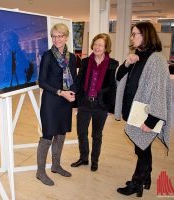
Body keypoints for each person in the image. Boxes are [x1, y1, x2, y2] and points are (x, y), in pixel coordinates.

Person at [115, 22, 171, 197]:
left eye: (135, 34)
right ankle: (146, 178)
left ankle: (137, 183)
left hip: (148, 115)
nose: (132, 37)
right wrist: (126, 63)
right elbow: (118, 77)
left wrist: (152, 121)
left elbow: (159, 92)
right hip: (135, 112)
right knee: (142, 147)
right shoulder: (137, 56)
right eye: (132, 34)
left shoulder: (157, 60)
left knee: (141, 148)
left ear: (146, 35)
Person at [70, 33, 119, 171]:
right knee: (81, 133)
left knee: (97, 135)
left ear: (106, 47)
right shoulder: (85, 62)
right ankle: (84, 158)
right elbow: (78, 83)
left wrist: (111, 108)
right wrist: (75, 105)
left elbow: (112, 86)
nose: (97, 47)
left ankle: (95, 160)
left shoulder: (112, 64)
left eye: (100, 45)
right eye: (96, 44)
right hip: (85, 103)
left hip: (100, 105)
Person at [36, 23, 77, 186]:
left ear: (66, 37)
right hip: (51, 101)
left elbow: (73, 79)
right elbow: (42, 82)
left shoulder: (72, 57)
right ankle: (40, 172)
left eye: (60, 36)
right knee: (47, 136)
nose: (57, 39)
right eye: (54, 36)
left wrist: (74, 99)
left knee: (60, 134)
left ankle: (56, 165)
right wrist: (61, 92)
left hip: (66, 102)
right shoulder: (47, 56)